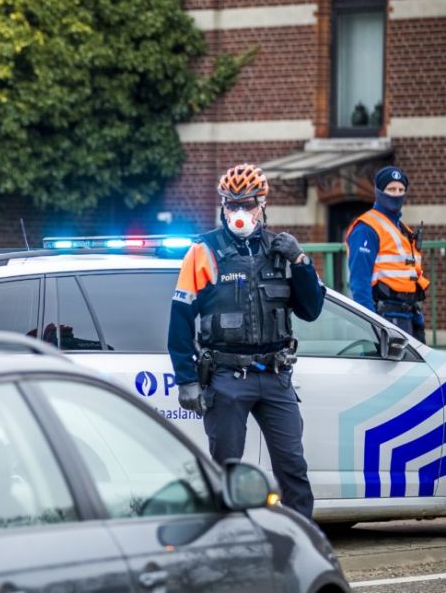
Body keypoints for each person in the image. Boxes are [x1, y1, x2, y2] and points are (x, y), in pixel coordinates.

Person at [168, 164, 325, 519]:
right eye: (232, 206)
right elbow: (179, 320)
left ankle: (303, 540)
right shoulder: (202, 251)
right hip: (225, 378)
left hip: (275, 377)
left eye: (248, 205)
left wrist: (300, 261)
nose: (240, 214)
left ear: (263, 205)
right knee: (226, 470)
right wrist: (187, 380)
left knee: (293, 467)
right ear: (222, 207)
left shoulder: (281, 250)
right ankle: (226, 540)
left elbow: (311, 310)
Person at [346, 166, 429, 343]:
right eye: (391, 189)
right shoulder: (366, 228)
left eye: (401, 190)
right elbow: (360, 283)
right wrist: (373, 326)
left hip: (408, 316)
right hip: (384, 319)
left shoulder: (401, 228)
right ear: (379, 192)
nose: (396, 194)